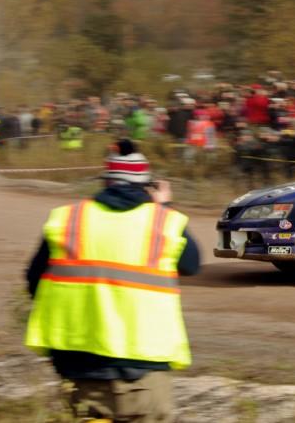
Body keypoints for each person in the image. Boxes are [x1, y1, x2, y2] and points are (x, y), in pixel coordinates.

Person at [25, 140, 200, 422]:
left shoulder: (68, 219)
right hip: (144, 365)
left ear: (105, 181)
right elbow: (191, 265)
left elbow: (34, 280)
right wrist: (164, 205)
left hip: (78, 363)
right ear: (147, 185)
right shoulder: (163, 222)